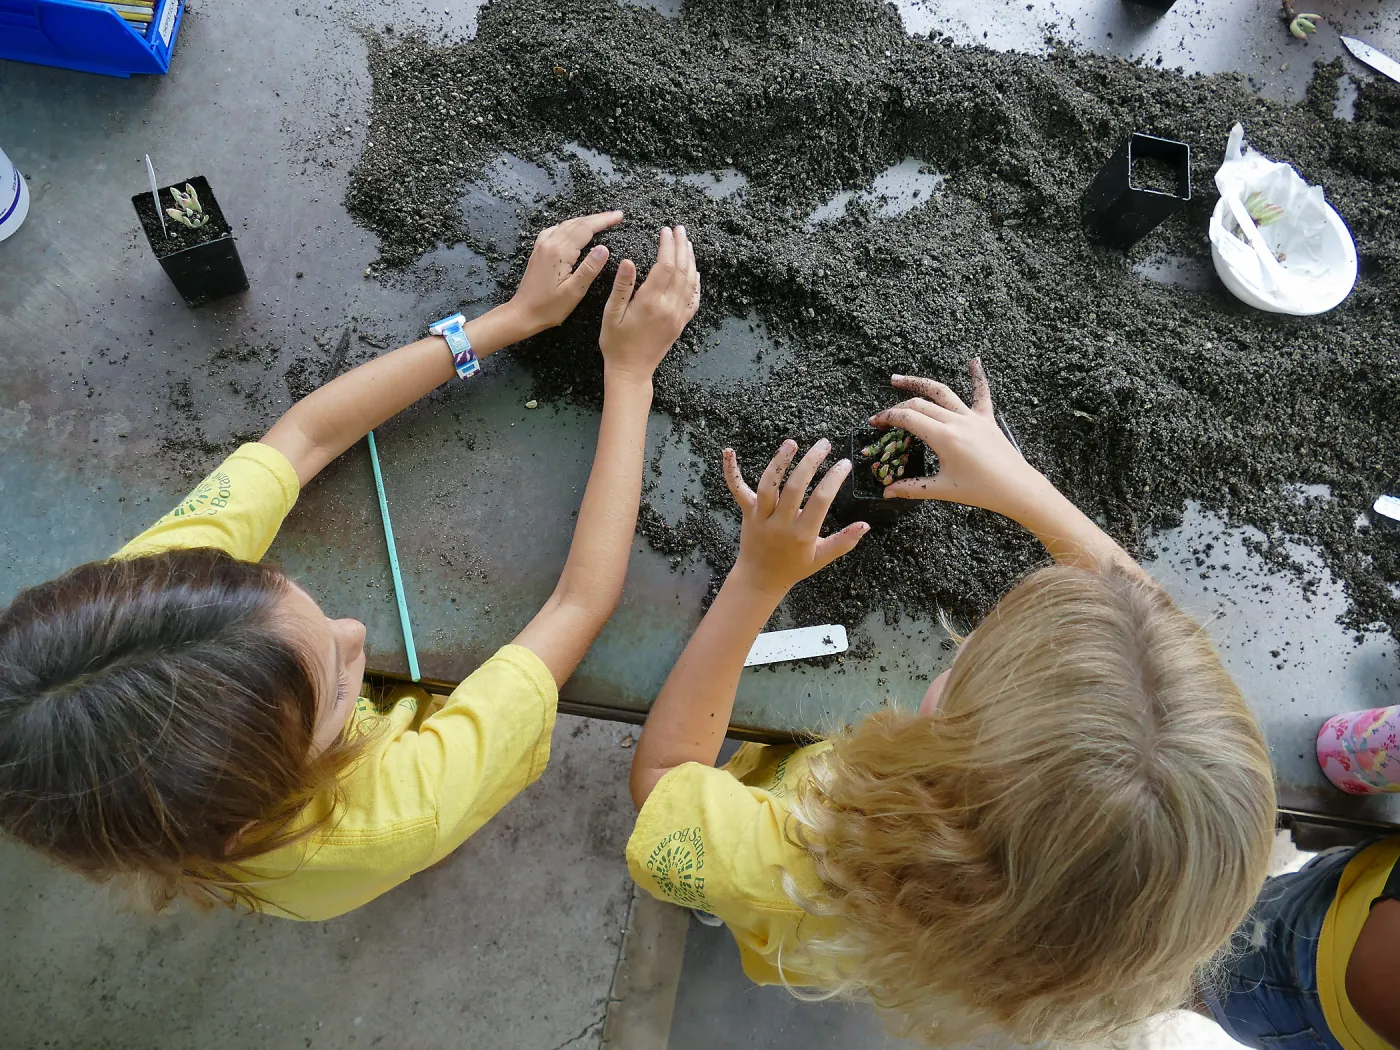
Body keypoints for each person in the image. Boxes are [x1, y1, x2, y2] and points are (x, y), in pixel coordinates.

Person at [0, 213, 701, 921]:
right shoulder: (401, 810)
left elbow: (304, 436)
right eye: (339, 689)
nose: (357, 631)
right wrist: (631, 373)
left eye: (286, 592)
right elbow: (577, 606)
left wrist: (503, 323)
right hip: (390, 827)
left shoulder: (144, 601)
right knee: (440, 825)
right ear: (253, 816)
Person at [626, 360, 1277, 1046]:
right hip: (896, 937)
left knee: (716, 870)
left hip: (771, 880)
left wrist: (755, 580)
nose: (961, 645)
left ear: (944, 778)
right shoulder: (1163, 874)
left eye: (969, 656)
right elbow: (1153, 636)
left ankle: (709, 891)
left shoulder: (793, 861)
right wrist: (1021, 486)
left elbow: (663, 779)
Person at [1203, 836, 1400, 1050]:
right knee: (1245, 903)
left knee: (1188, 959)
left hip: (1311, 976)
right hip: (1359, 884)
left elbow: (1375, 978)